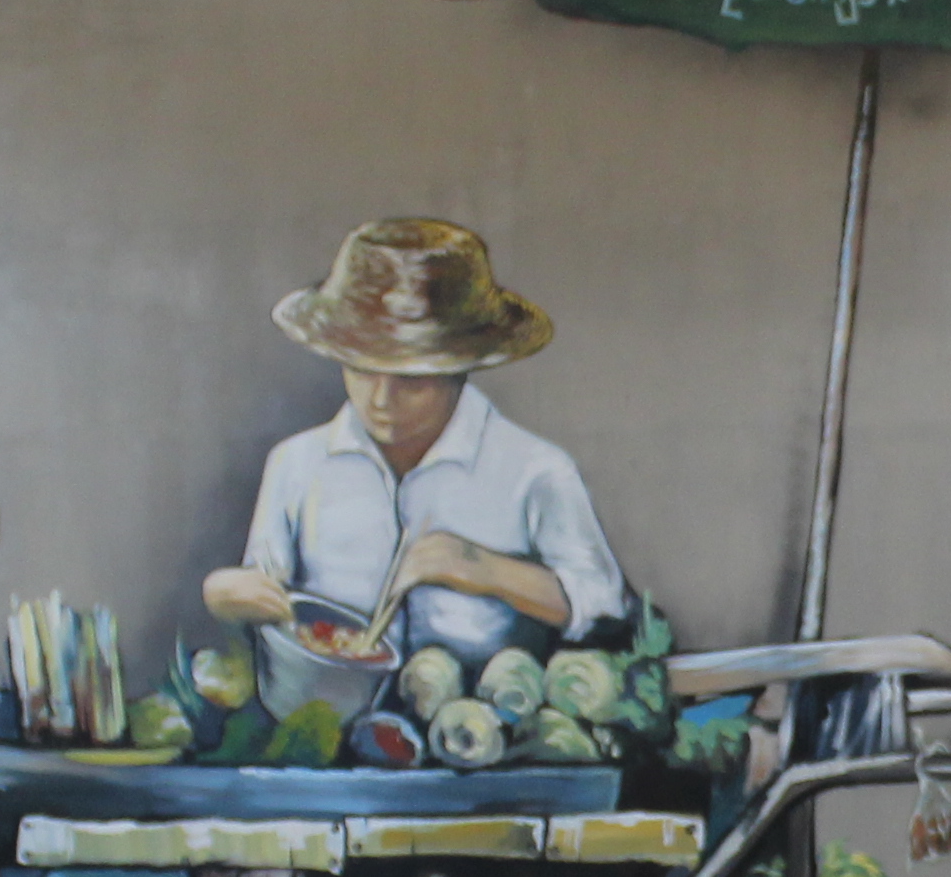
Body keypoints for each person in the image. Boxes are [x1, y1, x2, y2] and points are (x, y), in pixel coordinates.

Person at [200, 215, 630, 686]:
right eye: (362, 370)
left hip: (480, 733)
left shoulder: (536, 471)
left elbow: (606, 604)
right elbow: (265, 586)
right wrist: (228, 593)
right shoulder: (297, 464)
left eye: (412, 379)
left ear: (460, 367)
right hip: (323, 725)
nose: (381, 400)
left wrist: (485, 569)